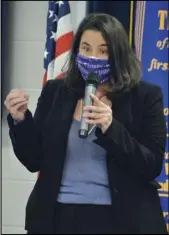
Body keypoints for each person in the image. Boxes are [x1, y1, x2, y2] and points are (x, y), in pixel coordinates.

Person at [4, 13, 167, 234]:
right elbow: (34, 160)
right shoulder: (56, 92)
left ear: (118, 54)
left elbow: (151, 166)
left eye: (103, 50)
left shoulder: (146, 96)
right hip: (57, 217)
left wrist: (111, 128)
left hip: (120, 220)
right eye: (86, 48)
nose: (93, 57)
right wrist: (20, 119)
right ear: (76, 51)